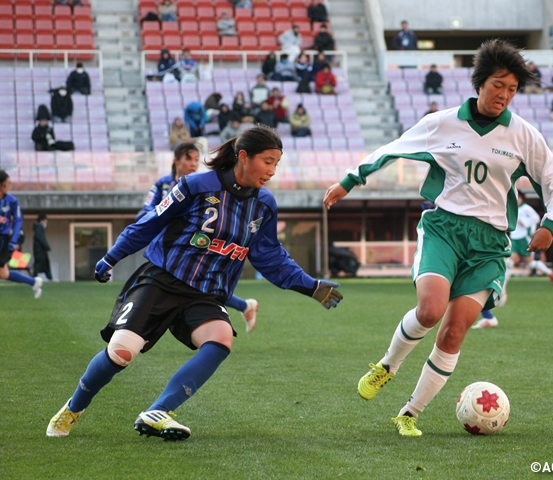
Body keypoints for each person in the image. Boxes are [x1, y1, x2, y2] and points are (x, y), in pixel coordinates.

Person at [322, 39, 553, 437]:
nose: (503, 95)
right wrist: (349, 180)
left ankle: (410, 412)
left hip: (490, 245)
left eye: (512, 89)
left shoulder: (525, 136)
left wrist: (550, 225)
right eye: (497, 86)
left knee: (454, 331)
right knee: (430, 311)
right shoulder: (442, 123)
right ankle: (387, 366)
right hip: (445, 229)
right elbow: (392, 149)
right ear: (480, 83)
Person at [46, 126, 343, 440]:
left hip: (205, 294)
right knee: (122, 352)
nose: (271, 171)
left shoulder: (264, 204)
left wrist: (310, 286)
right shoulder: (195, 186)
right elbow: (149, 224)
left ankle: (158, 411)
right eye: (267, 162)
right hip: (162, 281)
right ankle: (73, 408)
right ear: (243, 156)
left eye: (276, 164)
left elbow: (271, 257)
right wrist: (111, 257)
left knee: (221, 338)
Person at [136, 141, 260, 331]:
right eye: (188, 159)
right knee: (196, 285)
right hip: (168, 247)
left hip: (196, 245)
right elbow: (145, 213)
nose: (193, 164)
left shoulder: (203, 184)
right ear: (176, 160)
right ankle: (244, 306)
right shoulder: (163, 184)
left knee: (200, 284)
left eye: (196, 159)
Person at [502, 192, 553, 302]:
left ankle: (550, 273)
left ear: (522, 198)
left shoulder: (526, 208)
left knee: (531, 263)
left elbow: (536, 218)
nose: (517, 199)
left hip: (524, 239)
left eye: (518, 197)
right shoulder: (512, 208)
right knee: (510, 262)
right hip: (514, 238)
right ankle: (503, 289)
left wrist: (525, 222)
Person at [0, 170, 43, 299]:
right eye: (8, 183)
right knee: (3, 274)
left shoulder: (12, 201)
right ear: (1, 185)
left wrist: (14, 240)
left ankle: (34, 282)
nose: (10, 185)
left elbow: (18, 220)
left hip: (2, 240)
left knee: (3, 273)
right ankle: (34, 282)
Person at [33, 213, 53, 281]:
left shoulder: (38, 228)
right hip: (40, 250)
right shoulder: (39, 228)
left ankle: (49, 277)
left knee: (44, 264)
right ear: (42, 220)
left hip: (39, 250)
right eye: (45, 220)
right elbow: (41, 238)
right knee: (40, 264)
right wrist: (46, 246)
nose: (46, 222)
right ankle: (34, 277)